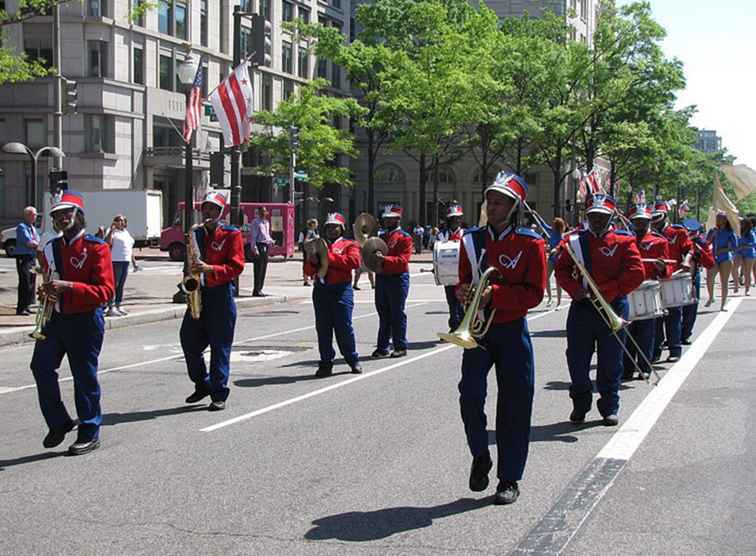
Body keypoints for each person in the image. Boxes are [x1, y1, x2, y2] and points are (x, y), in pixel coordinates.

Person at [456, 173, 546, 505]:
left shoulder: (530, 242)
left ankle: (509, 478)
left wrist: (497, 295)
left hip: (511, 330)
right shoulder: (470, 240)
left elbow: (534, 293)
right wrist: (463, 290)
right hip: (478, 331)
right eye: (489, 202)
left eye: (498, 203)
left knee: (515, 404)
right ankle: (480, 454)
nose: (491, 208)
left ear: (513, 208)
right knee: (469, 396)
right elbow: (462, 281)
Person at [30, 191, 115, 455]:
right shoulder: (50, 247)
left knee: (83, 377)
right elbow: (47, 278)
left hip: (85, 321)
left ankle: (89, 431)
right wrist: (46, 292)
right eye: (57, 215)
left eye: (67, 213)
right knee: (40, 367)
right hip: (55, 319)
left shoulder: (96, 247)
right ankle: (59, 422)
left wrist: (69, 287)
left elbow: (106, 292)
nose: (62, 218)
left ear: (79, 216)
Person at [555, 194, 644, 427]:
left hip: (613, 305)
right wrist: (575, 290)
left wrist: (608, 290)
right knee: (577, 360)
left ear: (611, 217)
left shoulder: (624, 241)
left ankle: (609, 406)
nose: (596, 220)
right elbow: (562, 270)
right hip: (582, 308)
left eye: (601, 216)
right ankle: (580, 404)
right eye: (593, 215)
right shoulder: (575, 242)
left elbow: (636, 273)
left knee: (611, 361)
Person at [181, 192, 245, 411]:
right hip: (199, 294)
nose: (207, 212)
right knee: (188, 341)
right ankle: (203, 383)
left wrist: (210, 269)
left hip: (221, 295)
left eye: (212, 209)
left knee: (220, 346)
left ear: (220, 212)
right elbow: (189, 262)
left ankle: (219, 393)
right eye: (205, 208)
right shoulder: (195, 233)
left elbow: (236, 267)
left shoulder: (231, 233)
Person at [304, 213, 362, 377]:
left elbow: (353, 262)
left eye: (334, 227)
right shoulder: (317, 244)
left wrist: (327, 257)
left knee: (344, 327)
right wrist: (313, 260)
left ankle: (352, 359)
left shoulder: (349, 244)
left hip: (341, 290)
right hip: (321, 291)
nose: (331, 230)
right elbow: (308, 271)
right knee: (323, 329)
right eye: (328, 227)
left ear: (341, 228)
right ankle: (326, 363)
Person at [622, 204, 670, 381]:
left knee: (646, 332)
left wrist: (662, 266)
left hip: (648, 288)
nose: (640, 224)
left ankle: (645, 366)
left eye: (643, 221)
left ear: (649, 221)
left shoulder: (659, 241)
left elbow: (667, 269)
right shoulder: (624, 239)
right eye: (637, 221)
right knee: (627, 331)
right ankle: (626, 368)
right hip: (627, 288)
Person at [650, 201, 692, 362]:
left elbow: (689, 249)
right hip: (654, 280)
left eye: (658, 217)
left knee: (673, 316)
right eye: (652, 218)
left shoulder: (677, 232)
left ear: (665, 215)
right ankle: (655, 350)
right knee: (656, 317)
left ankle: (675, 349)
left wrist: (687, 261)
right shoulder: (648, 234)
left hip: (672, 278)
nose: (655, 221)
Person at [372, 205, 413, 358]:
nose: (387, 221)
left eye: (390, 219)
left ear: (398, 219)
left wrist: (384, 259)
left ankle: (400, 346)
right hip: (382, 277)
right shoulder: (381, 237)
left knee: (397, 313)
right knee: (383, 313)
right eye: (386, 219)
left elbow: (403, 261)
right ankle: (382, 347)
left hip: (397, 278)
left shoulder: (404, 237)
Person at [681, 222, 715, 345]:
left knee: (691, 308)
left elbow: (710, 263)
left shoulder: (702, 243)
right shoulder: (676, 239)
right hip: (675, 277)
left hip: (693, 276)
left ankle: (685, 334)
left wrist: (700, 251)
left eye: (692, 233)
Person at [705, 212, 738, 311]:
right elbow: (706, 243)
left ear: (725, 220)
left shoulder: (730, 232)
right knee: (710, 277)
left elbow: (735, 247)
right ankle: (711, 297)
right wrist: (712, 235)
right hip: (714, 258)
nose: (717, 220)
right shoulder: (712, 230)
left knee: (724, 282)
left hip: (726, 258)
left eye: (719, 218)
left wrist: (723, 250)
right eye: (717, 218)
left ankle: (723, 305)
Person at [105, 214, 135, 316]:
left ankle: (118, 305)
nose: (121, 222)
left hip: (125, 261)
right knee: (114, 284)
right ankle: (110, 306)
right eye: (118, 220)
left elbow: (129, 248)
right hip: (115, 261)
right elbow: (107, 243)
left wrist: (134, 263)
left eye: (123, 220)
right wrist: (111, 230)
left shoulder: (126, 233)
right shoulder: (113, 232)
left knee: (121, 285)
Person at [441, 204, 465, 332]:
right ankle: (454, 326)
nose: (455, 220)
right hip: (448, 273)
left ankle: (462, 325)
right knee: (451, 301)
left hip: (462, 273)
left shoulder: (466, 234)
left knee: (462, 301)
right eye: (453, 218)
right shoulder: (442, 235)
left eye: (457, 218)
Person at [15, 206, 39, 316]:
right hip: (23, 258)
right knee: (25, 281)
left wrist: (36, 244)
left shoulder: (33, 228)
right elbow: (29, 242)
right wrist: (36, 244)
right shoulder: (22, 227)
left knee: (31, 282)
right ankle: (21, 308)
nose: (36, 216)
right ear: (27, 215)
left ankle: (28, 305)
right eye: (34, 214)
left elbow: (37, 241)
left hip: (32, 258)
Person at [541, 217, 567, 307]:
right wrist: (535, 214)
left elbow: (562, 247)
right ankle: (550, 298)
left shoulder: (561, 236)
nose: (551, 225)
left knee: (558, 281)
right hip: (551, 259)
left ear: (557, 226)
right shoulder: (551, 231)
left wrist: (556, 250)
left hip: (558, 259)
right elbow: (542, 224)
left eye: (553, 224)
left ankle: (559, 303)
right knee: (546, 278)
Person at [249, 206, 275, 297]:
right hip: (259, 246)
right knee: (258, 269)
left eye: (265, 211)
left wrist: (271, 241)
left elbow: (266, 235)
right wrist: (254, 248)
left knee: (263, 268)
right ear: (258, 213)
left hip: (265, 246)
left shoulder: (266, 223)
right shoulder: (255, 222)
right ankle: (256, 290)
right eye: (262, 212)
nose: (264, 213)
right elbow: (253, 236)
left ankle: (260, 288)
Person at [732, 217, 755, 296]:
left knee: (747, 272)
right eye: (741, 223)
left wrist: (744, 246)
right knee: (734, 268)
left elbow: (753, 244)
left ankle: (747, 290)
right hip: (739, 253)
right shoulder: (737, 233)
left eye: (743, 223)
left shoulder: (751, 233)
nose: (741, 225)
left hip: (749, 253)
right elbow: (734, 243)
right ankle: (736, 285)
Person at [299, 218, 319, 286]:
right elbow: (305, 241)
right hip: (308, 251)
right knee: (307, 264)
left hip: (313, 250)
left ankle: (312, 279)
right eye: (316, 223)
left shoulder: (314, 231)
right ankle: (306, 280)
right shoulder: (309, 231)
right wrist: (314, 238)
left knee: (313, 264)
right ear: (312, 224)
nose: (317, 225)